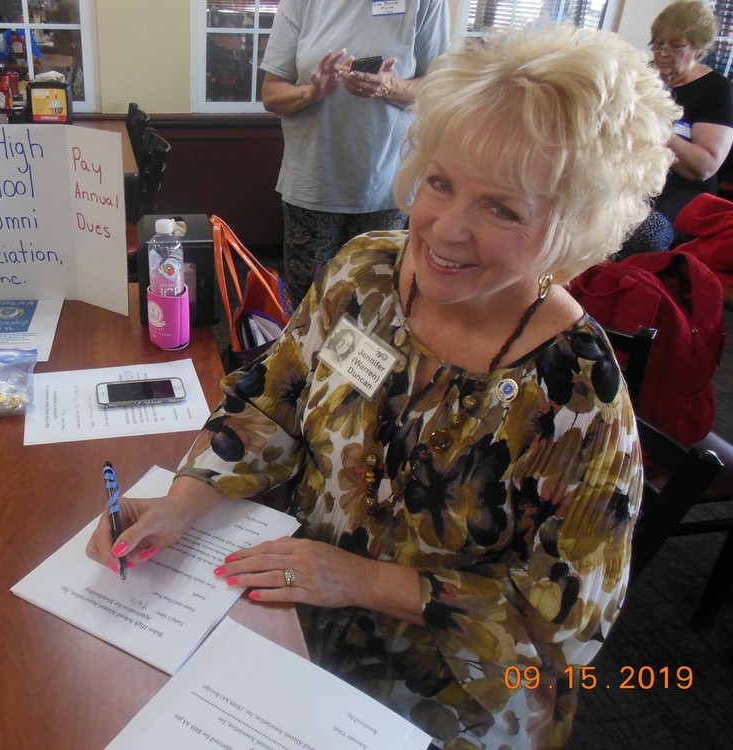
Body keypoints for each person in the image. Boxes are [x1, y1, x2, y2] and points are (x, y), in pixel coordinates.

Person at [88, 24, 679, 750]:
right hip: (285, 607)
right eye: (441, 181)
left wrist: (361, 581)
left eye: (502, 209)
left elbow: (564, 629)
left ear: (574, 227)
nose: (444, 230)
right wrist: (182, 502)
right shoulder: (365, 273)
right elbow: (271, 400)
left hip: (442, 687)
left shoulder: (579, 397)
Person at [259, 0, 450, 306]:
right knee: (308, 305)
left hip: (386, 188)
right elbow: (271, 94)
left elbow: (440, 90)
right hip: (312, 185)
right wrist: (312, 92)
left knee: (372, 308)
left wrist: (390, 87)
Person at [622, 0, 733, 255]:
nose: (663, 53)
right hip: (634, 175)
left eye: (676, 45)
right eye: (658, 44)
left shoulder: (716, 89)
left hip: (682, 188)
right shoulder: (643, 77)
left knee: (643, 232)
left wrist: (658, 128)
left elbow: (704, 167)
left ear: (698, 47)